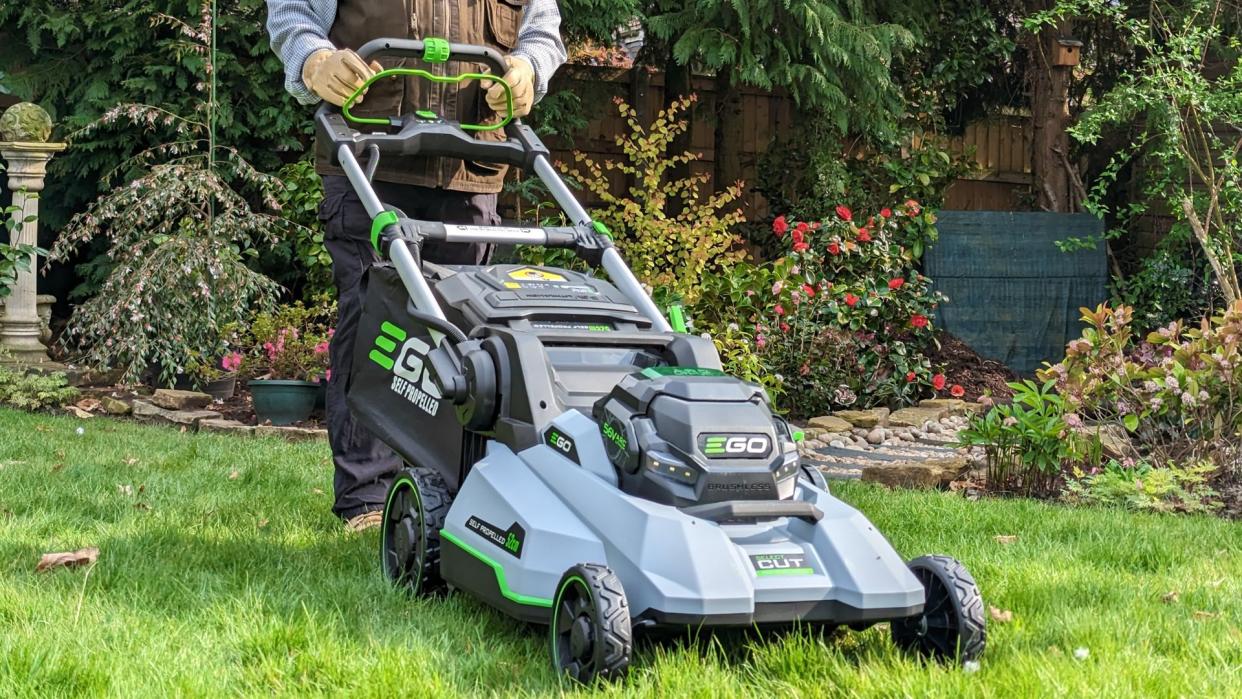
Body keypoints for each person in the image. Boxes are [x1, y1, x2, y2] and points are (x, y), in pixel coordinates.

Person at [266, 0, 567, 531]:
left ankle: (457, 494)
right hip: (370, 155)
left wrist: (527, 69)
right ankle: (368, 497)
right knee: (372, 322)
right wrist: (316, 61)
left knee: (469, 337)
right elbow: (292, 16)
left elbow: (541, 30)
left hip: (471, 167)